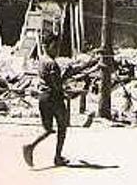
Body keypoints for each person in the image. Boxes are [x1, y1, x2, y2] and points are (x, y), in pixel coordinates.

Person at [22, 35, 97, 167]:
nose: (56, 49)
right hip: (54, 98)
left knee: (48, 129)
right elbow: (57, 84)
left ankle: (31, 146)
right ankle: (57, 156)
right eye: (54, 46)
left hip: (43, 97)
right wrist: (67, 85)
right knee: (62, 127)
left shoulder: (42, 60)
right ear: (47, 46)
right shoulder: (52, 63)